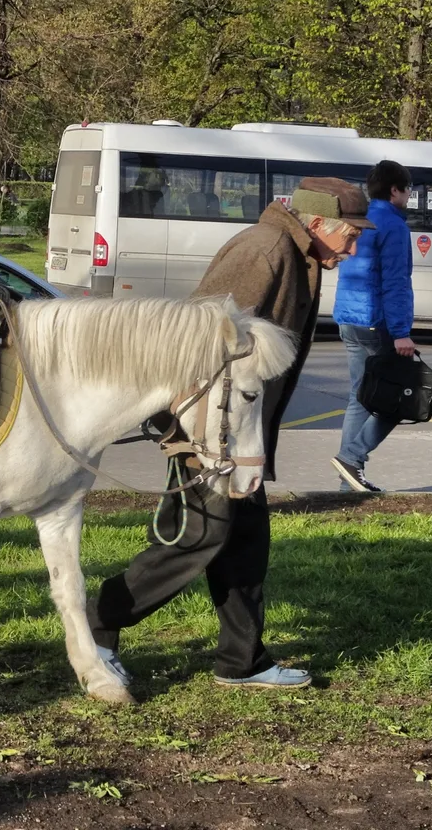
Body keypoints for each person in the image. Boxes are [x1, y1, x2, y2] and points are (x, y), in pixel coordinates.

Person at [87, 179, 372, 695]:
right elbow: (197, 337)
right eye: (350, 236)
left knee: (244, 543)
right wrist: (185, 436)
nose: (352, 249)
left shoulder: (296, 252)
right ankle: (95, 628)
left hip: (241, 436)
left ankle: (241, 661)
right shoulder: (263, 251)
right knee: (197, 539)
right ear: (318, 224)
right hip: (209, 435)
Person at [330, 160, 416, 492]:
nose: (409, 196)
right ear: (394, 190)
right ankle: (352, 457)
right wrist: (401, 333)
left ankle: (348, 482)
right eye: (407, 189)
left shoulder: (362, 221)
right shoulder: (393, 227)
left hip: (349, 318)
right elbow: (395, 283)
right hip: (377, 323)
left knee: (360, 397)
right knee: (400, 398)